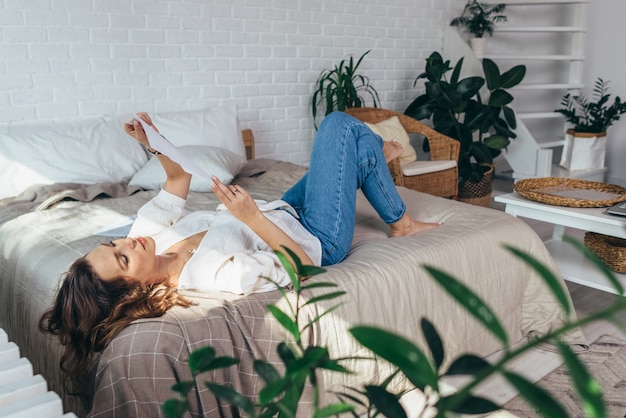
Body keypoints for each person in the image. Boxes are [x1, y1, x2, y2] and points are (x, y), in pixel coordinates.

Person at [39, 110, 440, 394]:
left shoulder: (148, 238)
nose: (127, 242)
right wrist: (248, 217)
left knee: (351, 142)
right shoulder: (209, 277)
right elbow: (299, 267)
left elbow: (180, 176)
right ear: (132, 292)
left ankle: (366, 161)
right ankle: (393, 209)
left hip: (282, 210)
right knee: (338, 126)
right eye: (123, 258)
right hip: (316, 238)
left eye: (114, 244)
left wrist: (153, 142)